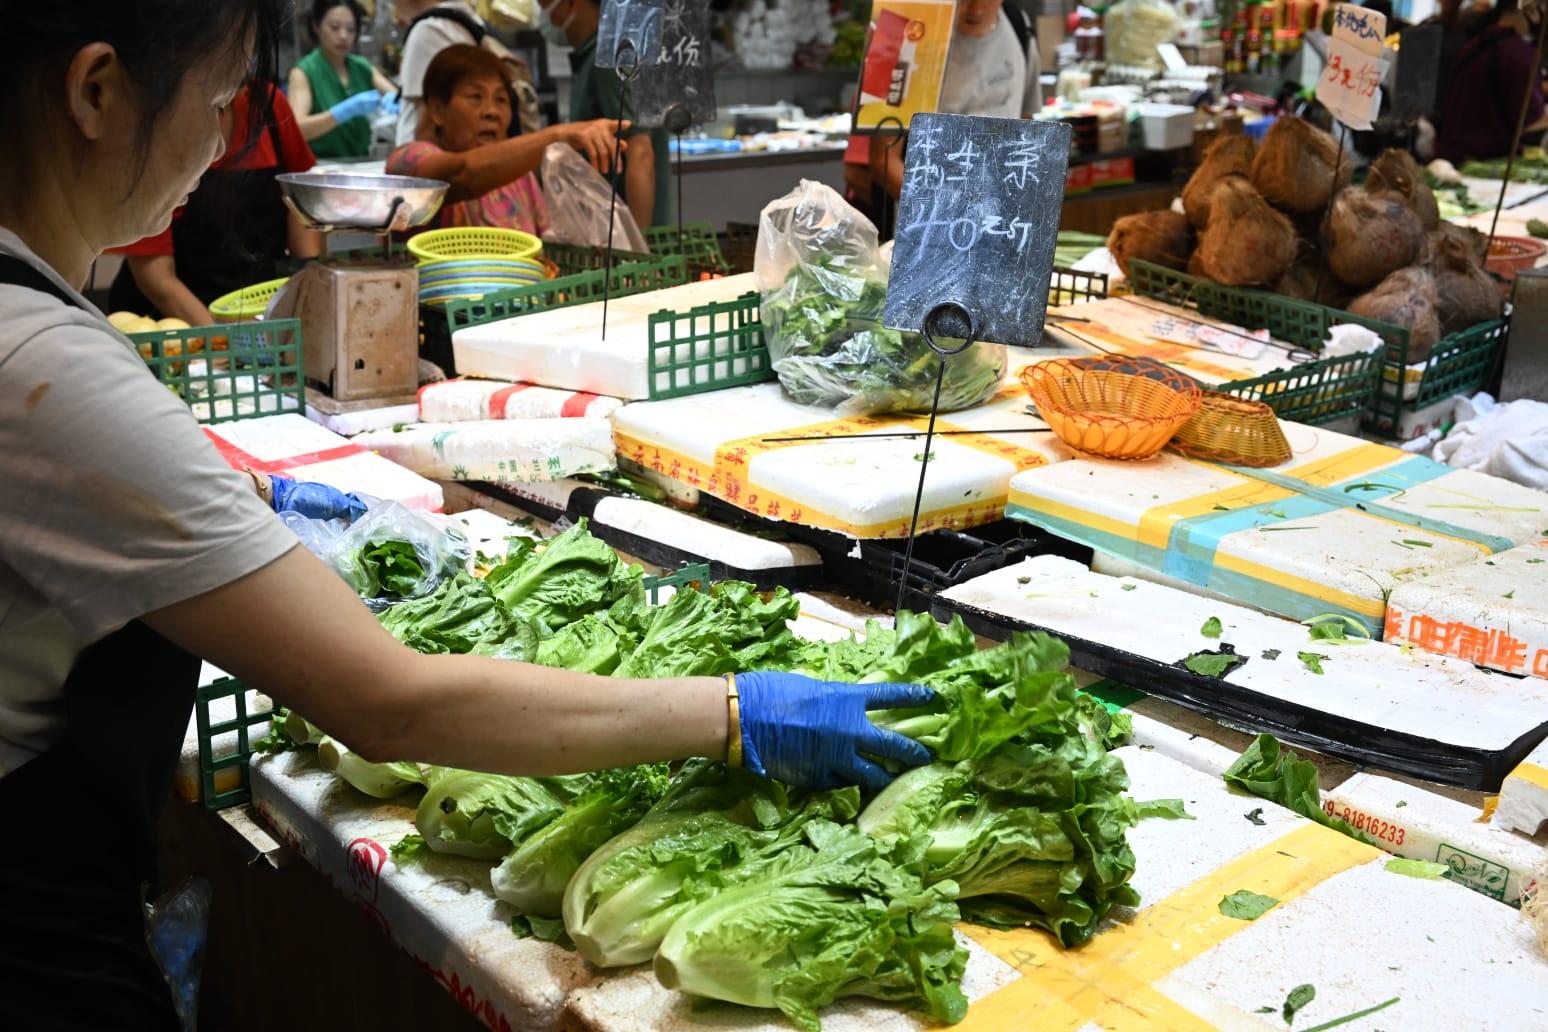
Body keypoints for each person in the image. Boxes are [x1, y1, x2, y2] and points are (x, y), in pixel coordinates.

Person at [0, 3, 935, 1025]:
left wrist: (254, 500)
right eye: (220, 100)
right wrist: (732, 714)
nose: (225, 141)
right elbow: (389, 704)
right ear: (98, 91)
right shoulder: (44, 365)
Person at [106, 83, 323, 325]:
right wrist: (222, 340)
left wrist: (306, 286)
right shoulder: (158, 119)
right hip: (173, 323)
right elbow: (157, 280)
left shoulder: (267, 104)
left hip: (258, 310)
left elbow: (301, 199)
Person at [844, 0, 1043, 235]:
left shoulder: (1020, 28)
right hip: (924, 232)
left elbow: (1026, 137)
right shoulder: (904, 28)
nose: (976, 9)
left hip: (997, 227)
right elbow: (883, 160)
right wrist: (948, 217)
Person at [387, 44, 623, 232]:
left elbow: (546, 247)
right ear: (438, 110)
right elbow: (463, 174)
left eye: (501, 99)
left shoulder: (519, 175)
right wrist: (559, 135)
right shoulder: (409, 161)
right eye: (475, 96)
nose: (492, 112)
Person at [543, 0, 674, 229]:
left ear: (572, 4)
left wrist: (638, 244)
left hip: (627, 234)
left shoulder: (611, 59)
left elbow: (641, 154)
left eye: (544, 5)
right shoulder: (598, 56)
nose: (546, 17)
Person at [1434, 0, 1548, 163]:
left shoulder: (1479, 42)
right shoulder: (1518, 54)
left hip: (1451, 155)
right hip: (1482, 163)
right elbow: (1529, 121)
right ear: (1530, 9)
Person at [289, 0, 398, 159]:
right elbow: (296, 129)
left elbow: (397, 98)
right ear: (316, 26)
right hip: (322, 166)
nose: (343, 36)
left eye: (351, 29)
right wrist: (340, 113)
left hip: (365, 163)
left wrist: (395, 102)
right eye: (334, 27)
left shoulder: (363, 67)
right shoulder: (303, 72)